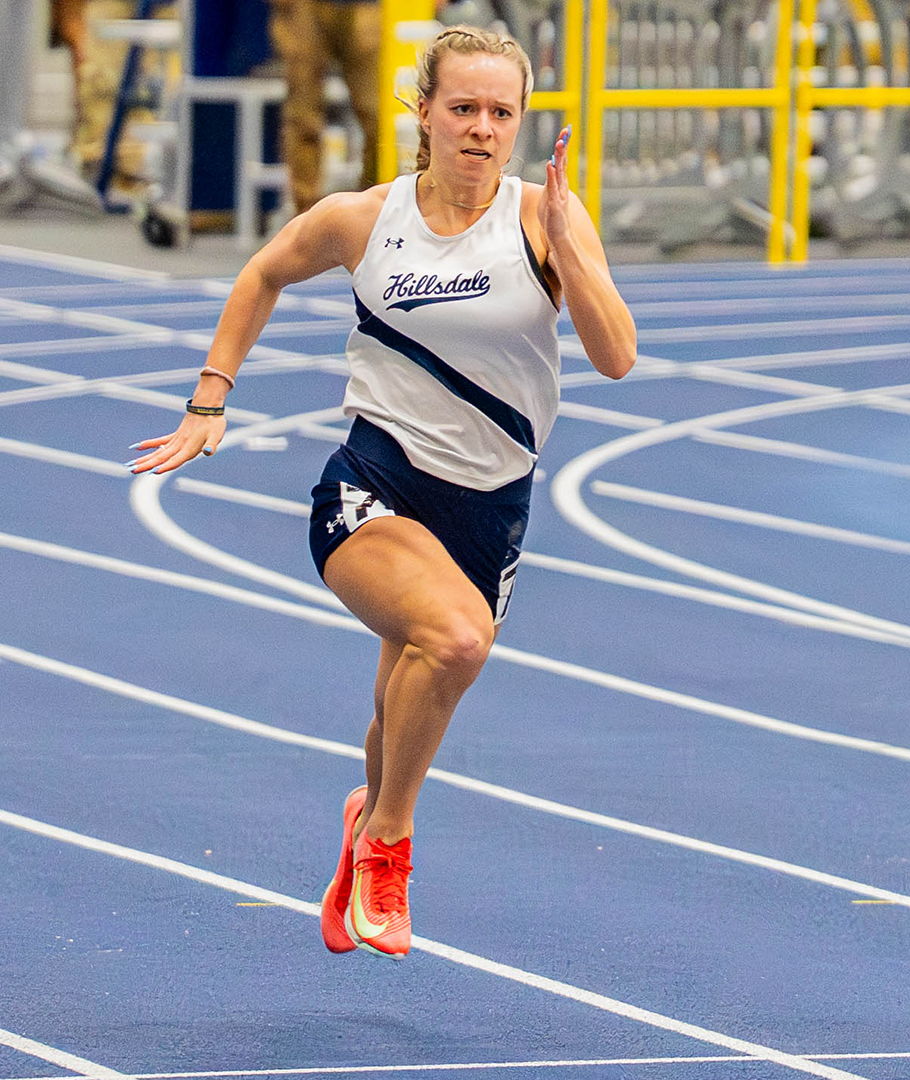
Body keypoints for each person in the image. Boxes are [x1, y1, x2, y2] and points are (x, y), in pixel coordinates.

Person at [130, 25, 637, 960]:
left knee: (400, 712)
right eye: (464, 109)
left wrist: (572, 249)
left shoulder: (544, 219)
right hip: (375, 485)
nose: (482, 129)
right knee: (453, 639)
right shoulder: (365, 218)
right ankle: (389, 845)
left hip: (491, 511)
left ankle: (366, 816)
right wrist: (210, 397)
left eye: (501, 113)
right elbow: (264, 271)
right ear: (424, 112)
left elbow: (615, 359)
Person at [270, 0, 382, 214]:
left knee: (378, 115)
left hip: (367, 7)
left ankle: (374, 211)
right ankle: (305, 218)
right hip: (303, 7)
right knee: (303, 118)